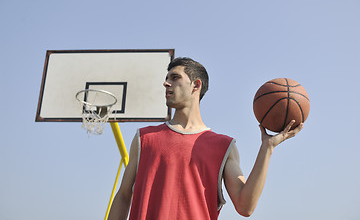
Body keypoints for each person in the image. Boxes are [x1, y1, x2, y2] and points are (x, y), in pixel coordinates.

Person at [108, 57, 303, 220]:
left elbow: (245, 206)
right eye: (166, 78)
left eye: (175, 78)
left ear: (196, 85)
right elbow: (124, 196)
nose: (166, 83)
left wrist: (267, 148)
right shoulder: (145, 138)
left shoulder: (224, 146)